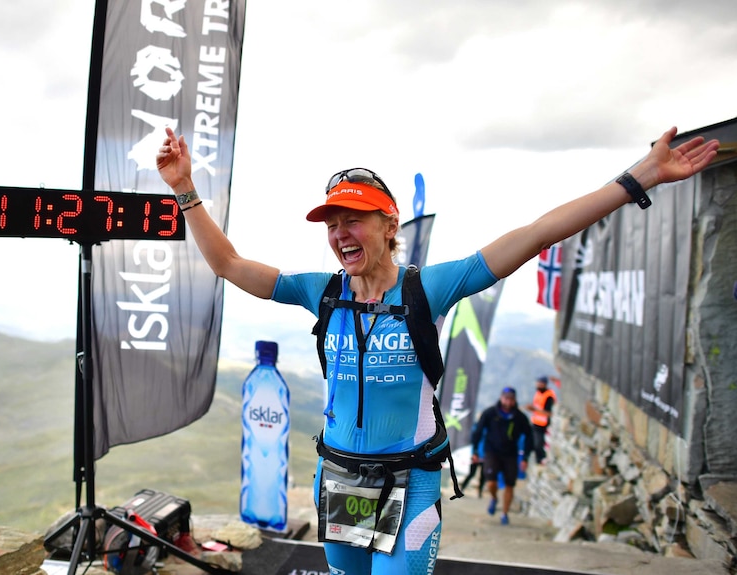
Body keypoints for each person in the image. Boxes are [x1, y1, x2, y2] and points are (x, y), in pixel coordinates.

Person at [157, 126, 718, 574]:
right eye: (332, 222)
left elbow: (539, 232)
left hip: (411, 481)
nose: (340, 232)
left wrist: (637, 177)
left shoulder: (428, 288)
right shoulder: (319, 292)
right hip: (342, 479)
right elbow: (230, 265)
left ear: (388, 223)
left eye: (353, 218)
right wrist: (185, 188)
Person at [470, 387, 534, 525]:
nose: (508, 401)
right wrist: (475, 451)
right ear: (501, 398)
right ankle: (494, 497)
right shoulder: (490, 413)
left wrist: (525, 458)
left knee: (510, 484)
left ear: (514, 400)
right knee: (491, 481)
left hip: (511, 453)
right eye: (506, 398)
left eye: (511, 399)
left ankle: (505, 514)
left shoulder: (520, 417)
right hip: (492, 451)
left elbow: (529, 436)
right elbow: (478, 431)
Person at [525, 375, 557, 464]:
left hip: (543, 424)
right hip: (535, 422)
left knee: (539, 444)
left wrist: (534, 409)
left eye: (540, 383)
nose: (538, 385)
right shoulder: (538, 393)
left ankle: (541, 460)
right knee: (532, 443)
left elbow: (549, 413)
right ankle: (537, 460)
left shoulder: (549, 396)